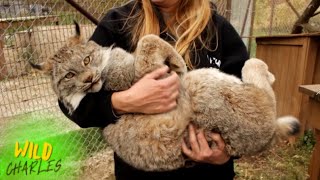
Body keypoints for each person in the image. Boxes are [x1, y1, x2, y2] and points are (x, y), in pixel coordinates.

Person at [59, 0, 249, 179]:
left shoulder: (218, 29)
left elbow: (245, 103)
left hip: (208, 172)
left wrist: (226, 153)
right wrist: (123, 101)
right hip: (141, 172)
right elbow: (70, 102)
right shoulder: (118, 23)